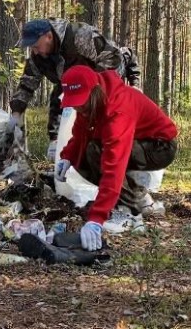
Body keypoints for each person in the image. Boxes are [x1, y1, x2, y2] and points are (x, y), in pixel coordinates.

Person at [55, 65, 178, 251]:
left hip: (159, 147)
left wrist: (97, 218)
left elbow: (114, 167)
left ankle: (129, 212)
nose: (79, 108)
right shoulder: (90, 104)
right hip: (137, 139)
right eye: (75, 103)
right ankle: (139, 197)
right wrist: (67, 157)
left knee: (97, 152)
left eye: (82, 102)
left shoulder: (118, 110)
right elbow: (80, 134)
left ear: (95, 91)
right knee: (83, 157)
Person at [7, 18, 122, 161]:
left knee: (100, 123)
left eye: (36, 46)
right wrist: (16, 114)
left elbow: (113, 56)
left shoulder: (78, 36)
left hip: (98, 84)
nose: (34, 51)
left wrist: (96, 86)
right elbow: (26, 84)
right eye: (32, 48)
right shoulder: (37, 57)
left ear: (48, 36)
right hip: (68, 88)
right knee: (58, 98)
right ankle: (57, 145)